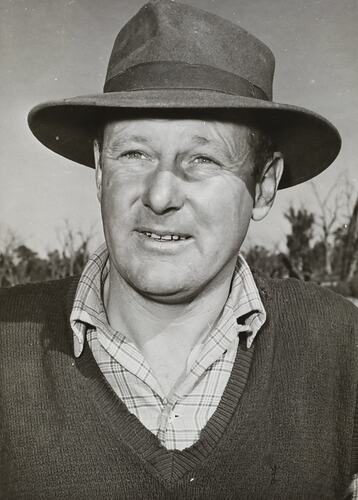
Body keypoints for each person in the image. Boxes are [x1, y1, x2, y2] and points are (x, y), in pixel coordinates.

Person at [1, 1, 357, 498]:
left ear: (265, 186)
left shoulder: (340, 344)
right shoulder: (6, 344)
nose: (161, 196)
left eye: (202, 159)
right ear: (101, 173)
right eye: (134, 153)